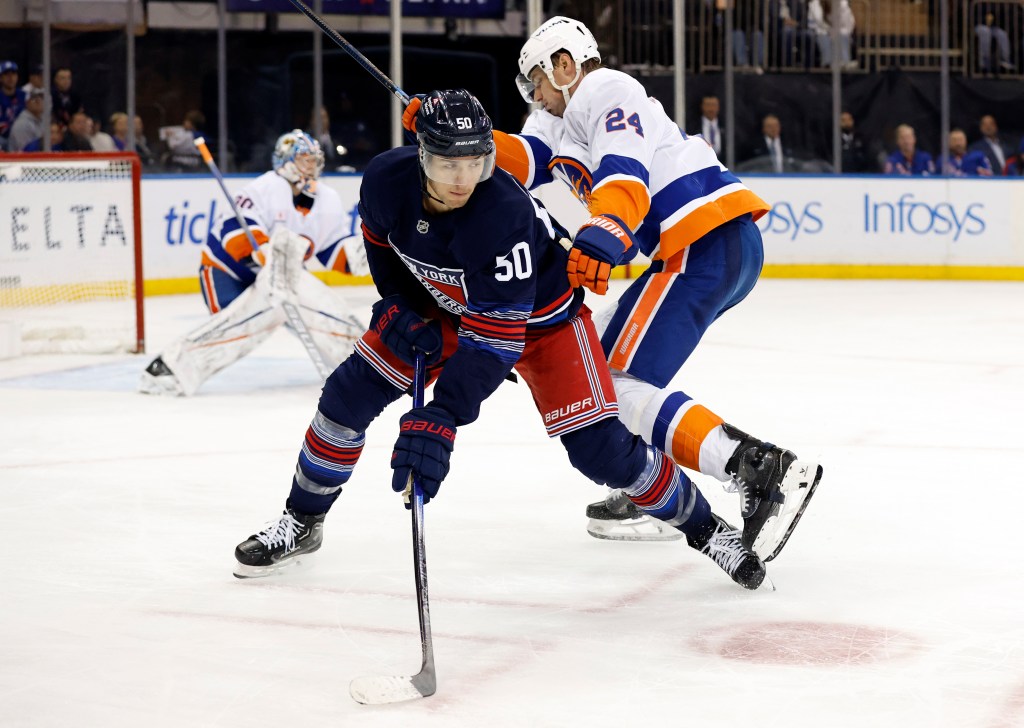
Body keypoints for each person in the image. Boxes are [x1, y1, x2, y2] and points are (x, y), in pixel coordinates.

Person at [233, 90, 769, 591]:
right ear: (421, 156)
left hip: (540, 323)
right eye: (448, 164)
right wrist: (399, 306)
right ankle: (302, 520)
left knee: (601, 453)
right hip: (442, 306)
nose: (464, 178)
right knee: (345, 397)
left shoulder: (502, 215)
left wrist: (441, 418)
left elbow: (495, 342)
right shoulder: (384, 181)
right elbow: (382, 247)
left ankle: (707, 530)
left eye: (477, 162)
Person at [405, 20, 823, 555]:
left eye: (536, 78)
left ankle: (758, 467)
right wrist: (452, 135)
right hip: (710, 248)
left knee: (609, 378)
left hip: (703, 241)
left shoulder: (607, 90)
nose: (533, 93)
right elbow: (524, 161)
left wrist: (608, 228)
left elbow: (624, 174)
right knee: (609, 370)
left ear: (565, 64)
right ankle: (651, 479)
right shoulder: (556, 120)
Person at [139, 130, 368, 397]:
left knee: (318, 306)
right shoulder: (266, 187)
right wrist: (260, 249)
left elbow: (333, 251)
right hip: (228, 274)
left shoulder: (327, 198)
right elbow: (231, 232)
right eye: (305, 159)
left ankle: (363, 366)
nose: (312, 166)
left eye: (315, 159)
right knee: (247, 322)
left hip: (280, 279)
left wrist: (363, 254)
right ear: (285, 161)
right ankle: (173, 368)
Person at [808, 0, 856, 68]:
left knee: (842, 37)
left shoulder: (843, 5)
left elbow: (849, 23)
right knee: (824, 38)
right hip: (822, 32)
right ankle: (828, 64)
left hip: (841, 31)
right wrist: (829, 31)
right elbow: (815, 23)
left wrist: (838, 32)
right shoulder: (814, 4)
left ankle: (845, 62)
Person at [8, 87, 45, 152]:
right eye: (34, 99)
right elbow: (26, 151)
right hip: (19, 160)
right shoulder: (22, 124)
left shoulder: (43, 120)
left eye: (41, 98)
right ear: (27, 103)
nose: (38, 101)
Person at [0, 60, 26, 151]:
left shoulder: (24, 95)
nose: (10, 78)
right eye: (7, 74)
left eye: (13, 74)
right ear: (1, 78)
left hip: (20, 136)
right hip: (3, 138)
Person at [694, 94, 724, 158]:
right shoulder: (693, 128)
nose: (711, 108)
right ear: (702, 106)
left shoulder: (727, 126)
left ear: (718, 107)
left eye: (714, 105)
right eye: (708, 105)